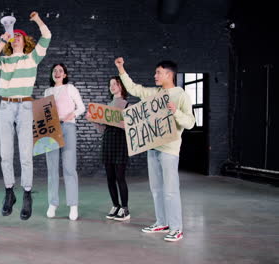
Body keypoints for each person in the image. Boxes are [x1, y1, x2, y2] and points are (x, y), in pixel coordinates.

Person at [115, 57, 195, 242]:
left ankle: (177, 228)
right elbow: (135, 89)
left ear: (169, 74)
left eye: (158, 72)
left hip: (169, 150)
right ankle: (162, 222)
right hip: (152, 147)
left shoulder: (180, 95)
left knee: (170, 190)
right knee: (156, 189)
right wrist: (121, 69)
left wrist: (175, 111)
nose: (155, 75)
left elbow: (190, 123)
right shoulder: (154, 93)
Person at [0, 11, 51, 220]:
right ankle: (9, 193)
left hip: (25, 107)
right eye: (13, 36)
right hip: (6, 106)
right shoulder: (3, 61)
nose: (16, 38)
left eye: (19, 36)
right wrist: (0, 43)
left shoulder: (32, 58)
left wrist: (37, 19)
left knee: (25, 155)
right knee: (5, 154)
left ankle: (28, 195)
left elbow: (47, 36)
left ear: (25, 40)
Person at [44, 63, 85, 221]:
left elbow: (81, 107)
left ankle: (73, 205)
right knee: (52, 168)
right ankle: (53, 203)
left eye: (60, 70)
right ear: (52, 74)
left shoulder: (70, 88)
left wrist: (71, 115)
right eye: (54, 70)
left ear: (65, 74)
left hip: (68, 127)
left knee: (69, 167)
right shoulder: (47, 91)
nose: (57, 72)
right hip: (51, 130)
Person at [87, 76, 131, 222]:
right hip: (108, 142)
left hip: (120, 143)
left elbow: (130, 128)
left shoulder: (127, 105)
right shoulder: (106, 106)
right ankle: (115, 205)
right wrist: (93, 120)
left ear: (121, 86)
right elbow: (102, 129)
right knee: (110, 178)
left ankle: (125, 209)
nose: (112, 86)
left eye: (115, 83)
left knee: (120, 177)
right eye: (110, 84)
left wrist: (120, 122)